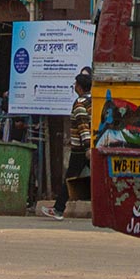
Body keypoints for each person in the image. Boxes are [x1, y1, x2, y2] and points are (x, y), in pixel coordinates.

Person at [46, 68, 93, 219]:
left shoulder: (80, 104)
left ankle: (58, 209)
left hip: (81, 150)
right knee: (100, 178)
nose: (74, 85)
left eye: (75, 84)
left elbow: (83, 126)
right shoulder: (92, 101)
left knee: (70, 179)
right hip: (90, 147)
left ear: (79, 87)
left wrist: (87, 147)